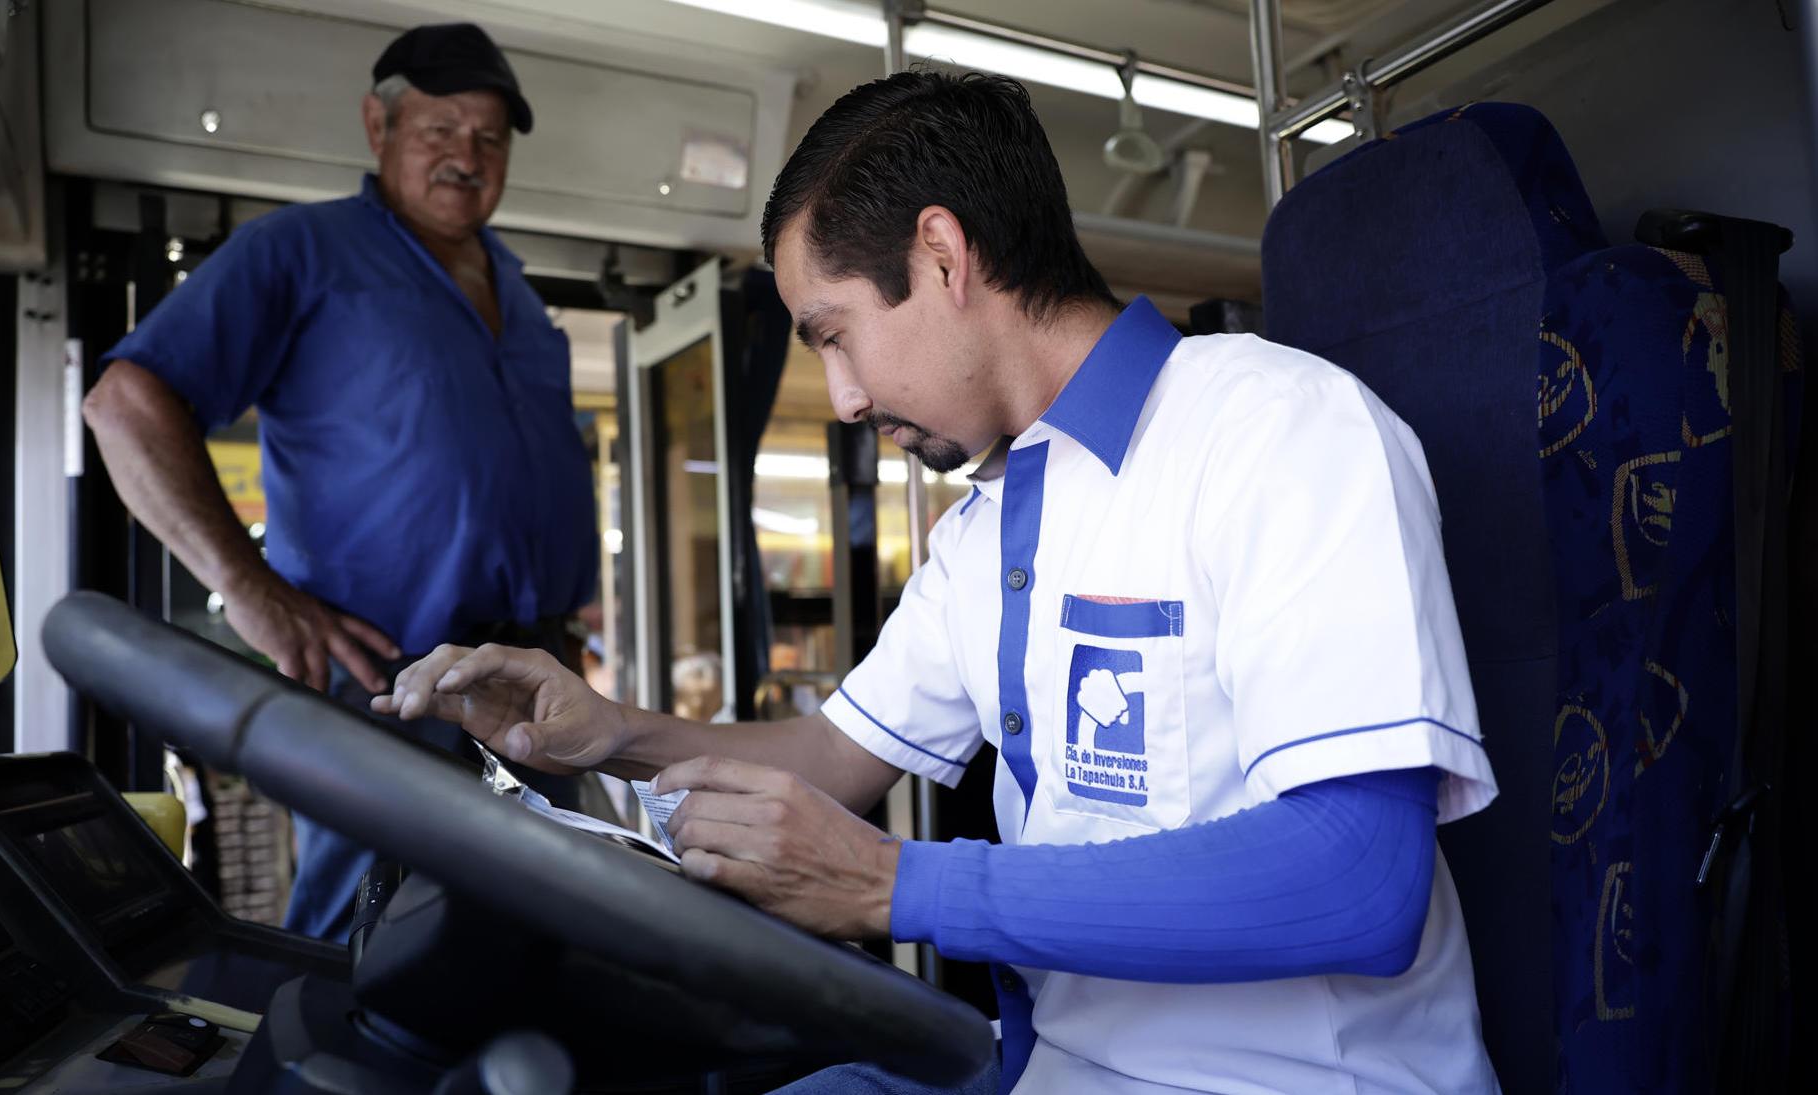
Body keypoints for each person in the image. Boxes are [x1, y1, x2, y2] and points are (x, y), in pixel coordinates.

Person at [378, 71, 1501, 1093]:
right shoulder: (988, 529)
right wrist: (606, 733)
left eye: (836, 335)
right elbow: (831, 762)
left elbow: (1361, 879)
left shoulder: (1277, 431)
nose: (848, 397)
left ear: (943, 257)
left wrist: (893, 886)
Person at [83, 23, 596, 942]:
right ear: (378, 125)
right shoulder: (302, 251)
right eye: (440, 128)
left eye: (488, 138)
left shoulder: (518, 292)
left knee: (545, 946)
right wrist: (249, 585)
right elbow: (126, 404)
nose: (465, 156)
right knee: (367, 955)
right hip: (393, 682)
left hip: (535, 684)